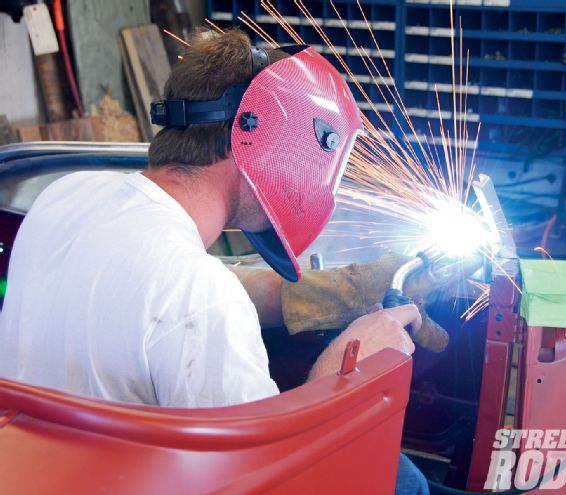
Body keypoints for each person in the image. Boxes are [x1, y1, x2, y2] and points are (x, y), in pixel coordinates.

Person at [0, 29, 428, 494]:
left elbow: (146, 293)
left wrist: (318, 291)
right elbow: (278, 478)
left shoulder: (67, 195)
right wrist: (352, 364)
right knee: (404, 480)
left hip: (37, 472)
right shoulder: (199, 295)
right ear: (261, 138)